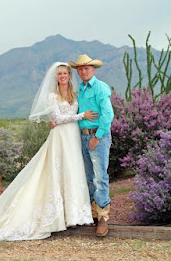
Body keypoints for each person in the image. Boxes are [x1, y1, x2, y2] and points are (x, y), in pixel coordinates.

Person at [0, 62, 98, 241]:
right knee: (57, 171)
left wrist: (83, 120)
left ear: (69, 76)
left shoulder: (75, 93)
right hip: (60, 137)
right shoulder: (52, 96)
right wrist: (81, 116)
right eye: (60, 74)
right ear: (56, 77)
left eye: (65, 73)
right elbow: (57, 117)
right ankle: (57, 217)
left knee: (73, 170)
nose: (63, 76)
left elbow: (71, 115)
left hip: (73, 137)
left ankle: (75, 215)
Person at [69, 54, 114, 237]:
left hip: (97, 136)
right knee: (88, 176)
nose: (83, 71)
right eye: (80, 68)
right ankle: (93, 213)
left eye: (86, 68)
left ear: (93, 70)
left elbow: (108, 114)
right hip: (83, 136)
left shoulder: (100, 88)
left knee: (100, 176)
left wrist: (98, 136)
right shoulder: (80, 88)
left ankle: (103, 216)